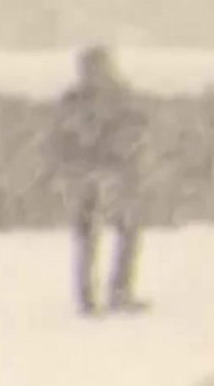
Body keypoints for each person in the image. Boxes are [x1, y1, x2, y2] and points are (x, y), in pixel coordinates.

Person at [53, 45, 147, 316]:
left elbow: (135, 131)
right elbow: (63, 139)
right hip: (92, 176)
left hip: (108, 174)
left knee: (121, 232)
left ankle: (112, 292)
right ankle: (94, 296)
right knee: (92, 236)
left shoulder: (112, 98)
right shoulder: (85, 99)